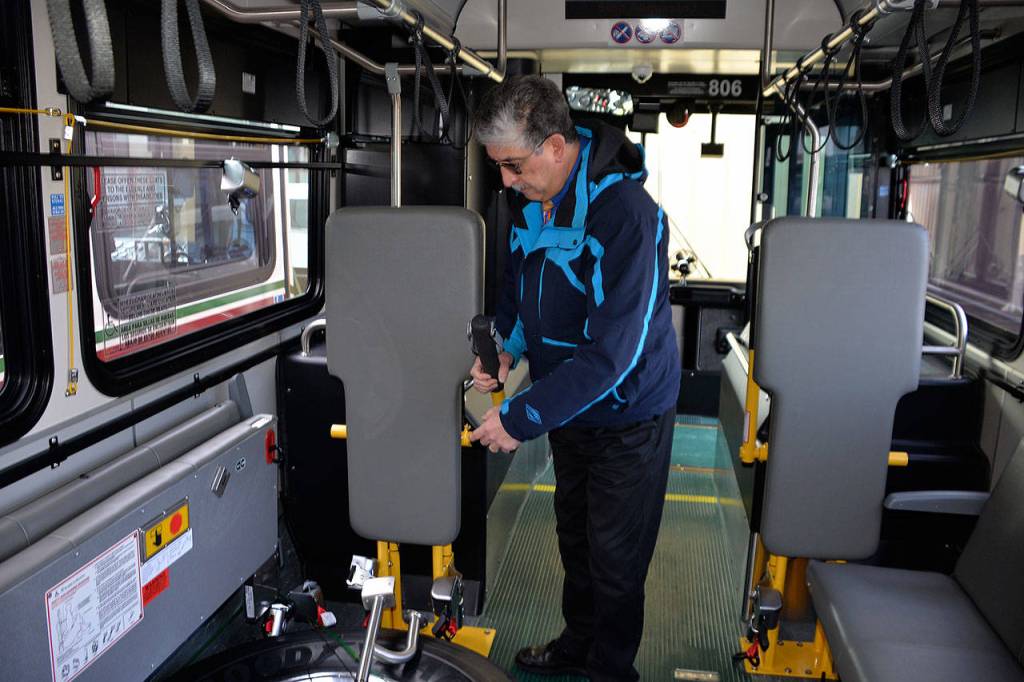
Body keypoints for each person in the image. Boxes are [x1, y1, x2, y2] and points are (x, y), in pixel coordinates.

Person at [468, 75, 680, 682]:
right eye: (498, 168)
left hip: (627, 413)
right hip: (570, 407)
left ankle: (611, 670)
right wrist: (505, 348)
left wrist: (521, 417)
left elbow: (615, 354)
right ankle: (577, 643)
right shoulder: (527, 197)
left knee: (616, 559)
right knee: (576, 540)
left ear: (556, 147)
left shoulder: (627, 217)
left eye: (512, 166)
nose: (505, 182)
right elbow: (518, 283)